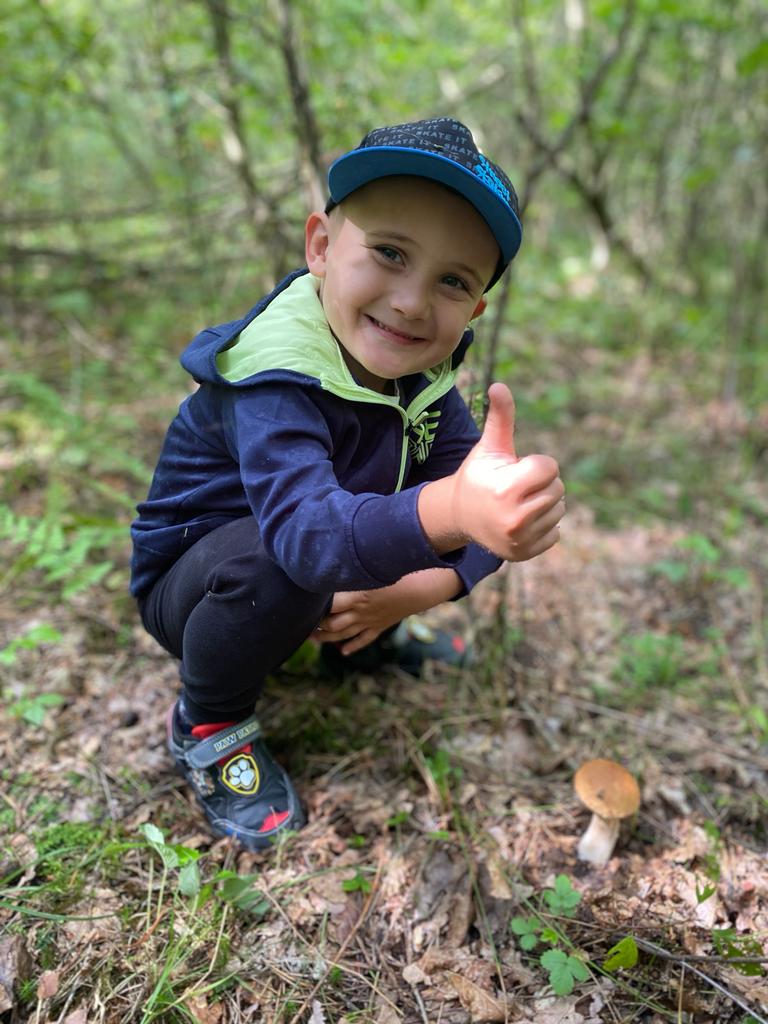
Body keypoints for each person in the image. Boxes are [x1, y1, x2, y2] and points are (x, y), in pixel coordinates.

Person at [130, 117, 565, 850]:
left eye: (452, 280)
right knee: (297, 549)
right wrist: (454, 509)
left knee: (401, 512)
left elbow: (470, 506)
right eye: (390, 253)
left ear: (475, 309)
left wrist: (422, 585)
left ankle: (363, 643)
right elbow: (308, 539)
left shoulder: (425, 381)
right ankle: (208, 724)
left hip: (318, 567)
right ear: (322, 247)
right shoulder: (276, 376)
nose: (411, 301)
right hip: (204, 586)